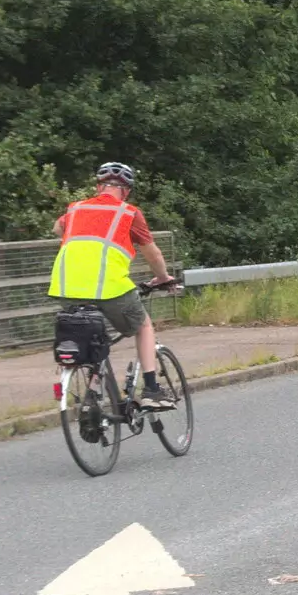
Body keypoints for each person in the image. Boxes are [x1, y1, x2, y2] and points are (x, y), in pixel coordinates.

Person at [48, 162, 179, 410]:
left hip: (66, 287)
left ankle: (92, 395)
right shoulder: (129, 213)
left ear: (99, 187)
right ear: (126, 190)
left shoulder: (75, 209)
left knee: (96, 338)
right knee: (143, 326)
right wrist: (163, 278)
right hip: (109, 288)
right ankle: (151, 389)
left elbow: (57, 228)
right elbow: (153, 255)